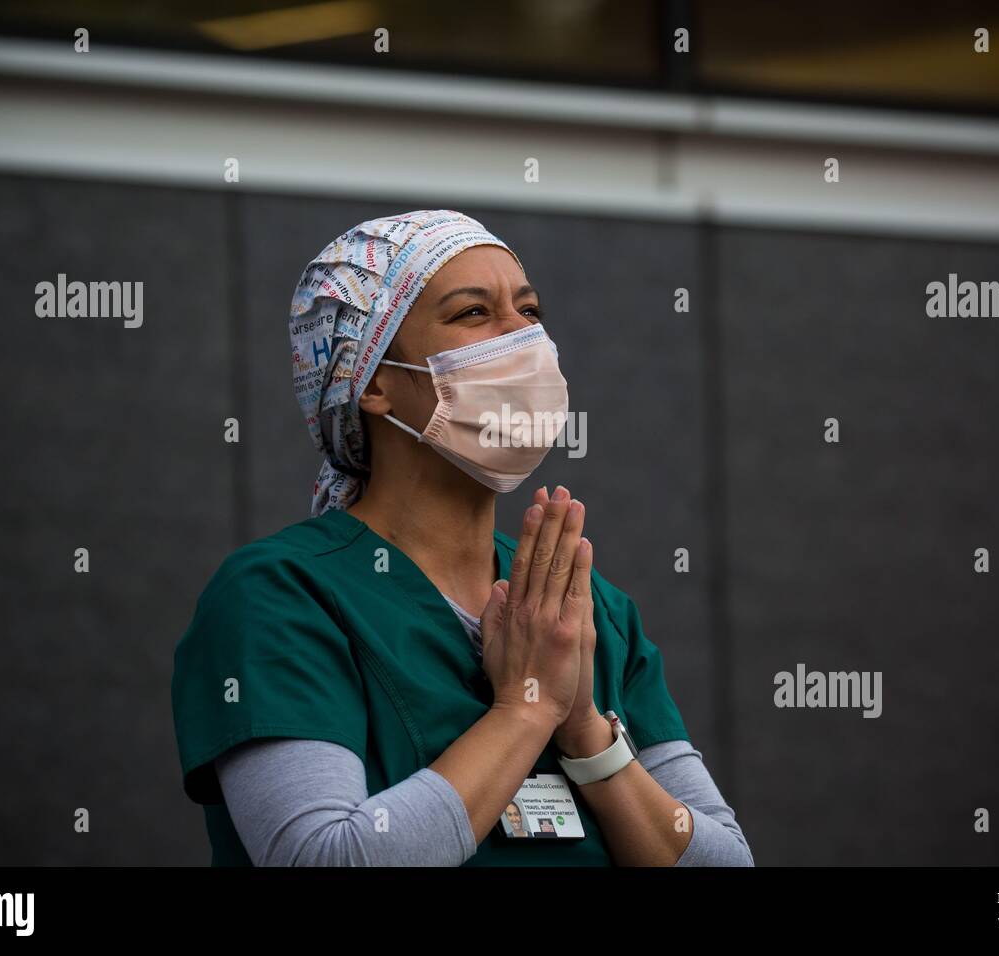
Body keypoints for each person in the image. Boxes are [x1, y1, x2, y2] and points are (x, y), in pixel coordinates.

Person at [170, 209, 754, 866]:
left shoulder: (585, 613)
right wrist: (525, 710)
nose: (523, 336)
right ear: (375, 380)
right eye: (474, 314)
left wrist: (587, 731)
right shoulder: (280, 598)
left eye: (529, 309)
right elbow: (324, 858)